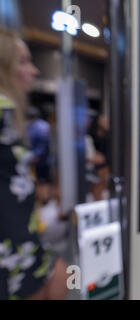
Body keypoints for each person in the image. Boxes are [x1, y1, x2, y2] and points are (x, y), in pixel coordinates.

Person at [0, 28, 68, 300]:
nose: (34, 71)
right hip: (15, 252)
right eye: (24, 61)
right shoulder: (5, 112)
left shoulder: (14, 117)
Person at [26, 107, 51, 203]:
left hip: (40, 158)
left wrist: (37, 155)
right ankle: (40, 197)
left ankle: (43, 198)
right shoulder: (37, 125)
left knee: (42, 179)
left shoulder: (39, 126)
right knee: (38, 179)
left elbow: (43, 143)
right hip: (35, 157)